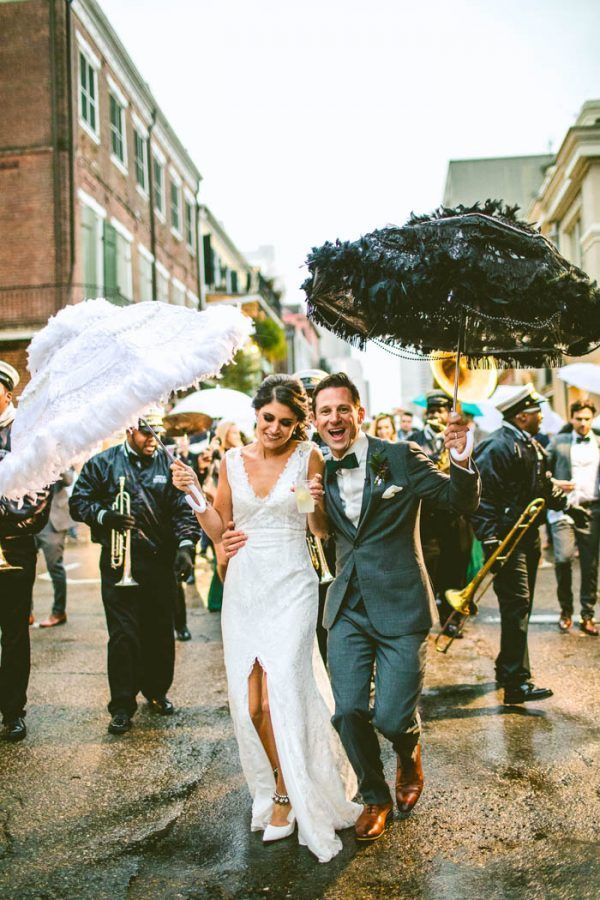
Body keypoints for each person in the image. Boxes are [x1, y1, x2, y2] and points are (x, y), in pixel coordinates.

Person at [171, 374, 360, 863]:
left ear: (299, 424)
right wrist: (194, 492)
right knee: (251, 704)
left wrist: (313, 500)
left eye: (285, 422)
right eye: (268, 418)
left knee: (281, 694)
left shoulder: (307, 458)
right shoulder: (233, 460)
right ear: (256, 414)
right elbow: (220, 524)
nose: (274, 428)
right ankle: (280, 780)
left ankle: (286, 794)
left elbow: (314, 528)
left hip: (292, 581)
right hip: (245, 584)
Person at [310, 372, 479, 840]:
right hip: (346, 607)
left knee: (391, 717)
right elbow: (316, 529)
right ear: (316, 420)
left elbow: (455, 499)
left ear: (359, 413)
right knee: (346, 711)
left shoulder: (400, 457)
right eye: (325, 411)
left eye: (342, 408)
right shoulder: (317, 470)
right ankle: (375, 796)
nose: (334, 418)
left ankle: (408, 752)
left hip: (401, 606)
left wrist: (462, 459)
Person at [69, 409, 201, 735]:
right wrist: (104, 515)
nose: (153, 440)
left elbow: (183, 508)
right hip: (118, 564)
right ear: (130, 430)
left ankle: (157, 692)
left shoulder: (169, 465)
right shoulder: (103, 463)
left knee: (159, 630)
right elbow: (78, 501)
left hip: (159, 563)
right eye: (146, 433)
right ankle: (122, 705)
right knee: (123, 635)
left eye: (157, 433)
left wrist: (186, 545)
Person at [471, 385, 568, 705]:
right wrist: (490, 539)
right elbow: (482, 498)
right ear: (522, 416)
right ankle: (516, 681)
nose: (542, 416)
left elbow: (539, 486)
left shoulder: (528, 444)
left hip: (526, 538)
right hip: (506, 540)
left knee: (519, 607)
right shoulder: (497, 446)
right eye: (537, 411)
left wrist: (563, 501)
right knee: (517, 607)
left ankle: (507, 666)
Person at [413, 390, 473, 637]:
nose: (435, 414)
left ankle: (451, 618)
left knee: (455, 566)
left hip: (455, 518)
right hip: (427, 517)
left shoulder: (458, 437)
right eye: (432, 410)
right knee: (427, 567)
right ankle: (426, 617)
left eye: (440, 410)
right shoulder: (414, 440)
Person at [0, 449, 51, 742]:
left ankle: (12, 711)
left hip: (15, 548)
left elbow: (38, 506)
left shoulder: (28, 437)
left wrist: (4, 512)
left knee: (14, 633)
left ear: (7, 397)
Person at [548, 399, 600, 636]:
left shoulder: (599, 441)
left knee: (590, 565)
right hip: (564, 510)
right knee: (563, 559)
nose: (583, 423)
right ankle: (566, 611)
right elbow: (541, 471)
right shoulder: (558, 442)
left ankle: (587, 614)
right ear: (571, 418)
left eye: (587, 419)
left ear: (593, 418)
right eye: (578, 418)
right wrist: (555, 482)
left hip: (591, 510)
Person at [35, 468, 76, 628]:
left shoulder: (59, 448)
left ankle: (58, 612)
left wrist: (54, 459)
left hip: (53, 521)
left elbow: (68, 479)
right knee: (23, 567)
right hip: (27, 517)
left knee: (55, 567)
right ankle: (26, 612)